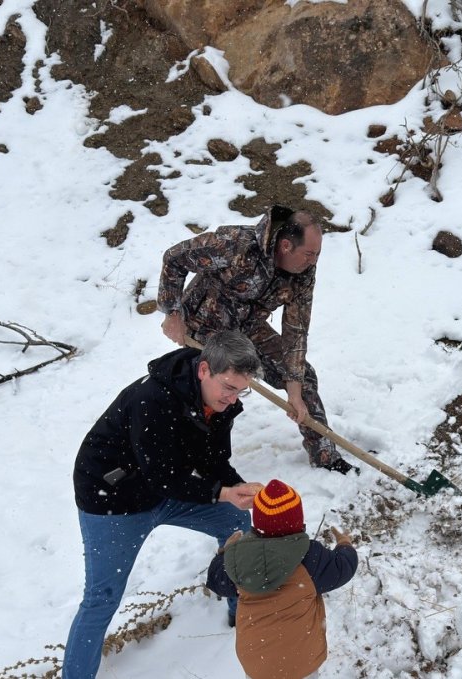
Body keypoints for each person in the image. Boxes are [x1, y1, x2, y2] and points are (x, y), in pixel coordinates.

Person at [63, 330, 265, 679]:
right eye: (229, 387)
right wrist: (221, 492)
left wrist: (237, 487)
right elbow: (163, 475)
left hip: (164, 490)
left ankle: (241, 613)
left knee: (235, 522)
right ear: (204, 370)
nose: (233, 398)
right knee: (102, 598)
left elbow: (214, 459)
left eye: (241, 390)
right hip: (113, 498)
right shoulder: (152, 399)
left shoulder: (217, 403)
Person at [157, 205, 356, 475]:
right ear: (286, 246)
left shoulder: (303, 274)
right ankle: (184, 465)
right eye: (309, 254)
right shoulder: (235, 245)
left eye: (317, 254)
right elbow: (175, 258)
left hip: (247, 329)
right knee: (208, 392)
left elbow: (295, 331)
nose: (314, 261)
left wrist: (294, 390)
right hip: (203, 327)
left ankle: (324, 456)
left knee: (303, 377)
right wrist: (172, 312)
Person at [206, 479, 358, 679]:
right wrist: (344, 544)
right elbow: (343, 568)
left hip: (256, 662)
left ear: (258, 523)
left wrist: (225, 553)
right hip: (301, 662)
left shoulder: (239, 558)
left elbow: (215, 580)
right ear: (297, 521)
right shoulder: (310, 557)